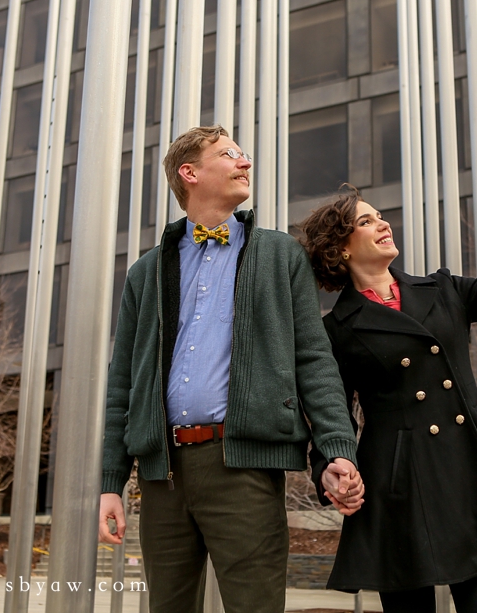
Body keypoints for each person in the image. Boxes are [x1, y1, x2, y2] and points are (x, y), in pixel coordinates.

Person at [299, 141, 477, 613]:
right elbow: (330, 416)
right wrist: (330, 471)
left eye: (380, 216)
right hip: (398, 491)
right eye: (366, 221)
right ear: (341, 247)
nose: (383, 223)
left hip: (470, 473)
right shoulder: (334, 331)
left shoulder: (444, 290)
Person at [98, 125, 364, 613]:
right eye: (229, 154)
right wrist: (111, 482)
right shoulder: (145, 272)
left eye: (243, 154)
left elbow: (313, 357)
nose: (244, 162)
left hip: (243, 466)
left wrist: (336, 448)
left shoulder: (281, 254)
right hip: (162, 476)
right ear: (190, 172)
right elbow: (124, 382)